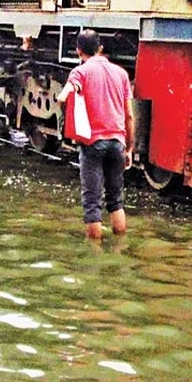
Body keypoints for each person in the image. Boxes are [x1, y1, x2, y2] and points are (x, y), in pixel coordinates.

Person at [56, 29, 134, 240]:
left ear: (78, 51)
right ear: (100, 49)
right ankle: (119, 247)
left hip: (93, 143)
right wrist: (130, 149)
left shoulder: (80, 72)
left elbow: (63, 97)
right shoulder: (121, 74)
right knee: (116, 200)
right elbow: (129, 116)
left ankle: (95, 253)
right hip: (117, 142)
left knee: (92, 202)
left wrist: (70, 117)